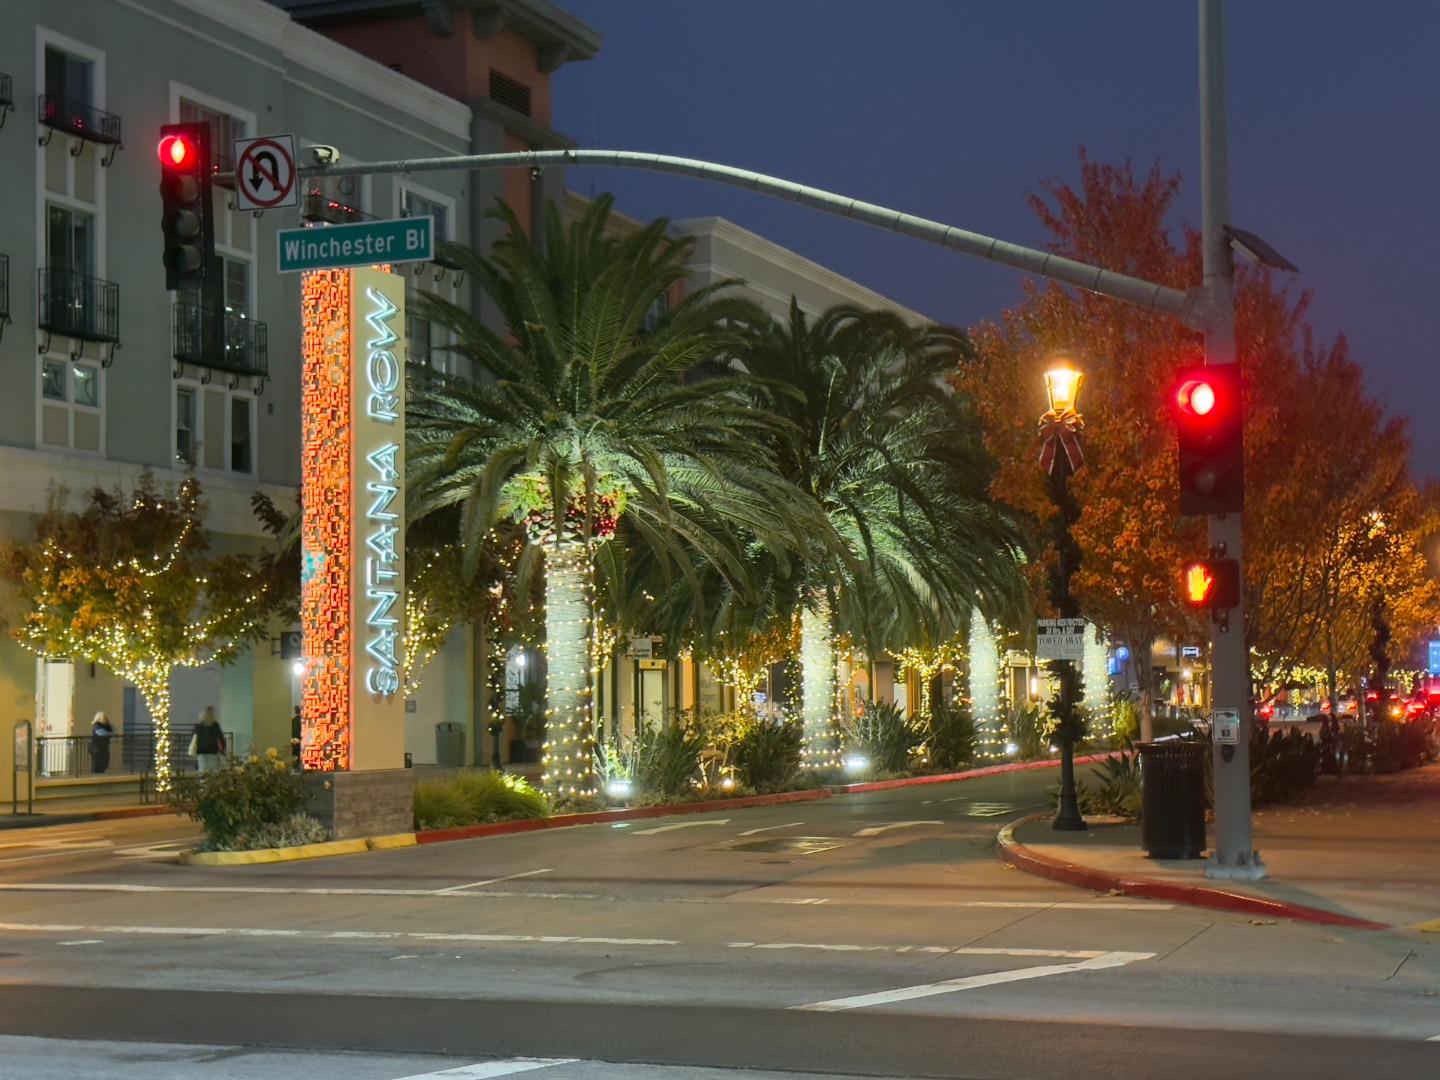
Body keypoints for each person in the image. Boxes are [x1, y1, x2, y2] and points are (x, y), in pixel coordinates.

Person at [191, 706, 227, 774]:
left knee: (203, 770)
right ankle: (212, 783)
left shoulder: (199, 726)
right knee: (214, 771)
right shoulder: (215, 726)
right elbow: (220, 738)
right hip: (212, 751)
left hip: (201, 752)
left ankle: (204, 783)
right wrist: (222, 750)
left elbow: (194, 738)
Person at [89, 710, 116, 775]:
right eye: (104, 718)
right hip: (97, 749)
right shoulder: (97, 726)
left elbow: (114, 730)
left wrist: (109, 727)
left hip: (104, 748)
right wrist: (111, 733)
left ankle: (101, 774)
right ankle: (95, 777)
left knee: (104, 763)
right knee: (97, 764)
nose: (106, 719)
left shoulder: (106, 726)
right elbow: (102, 734)